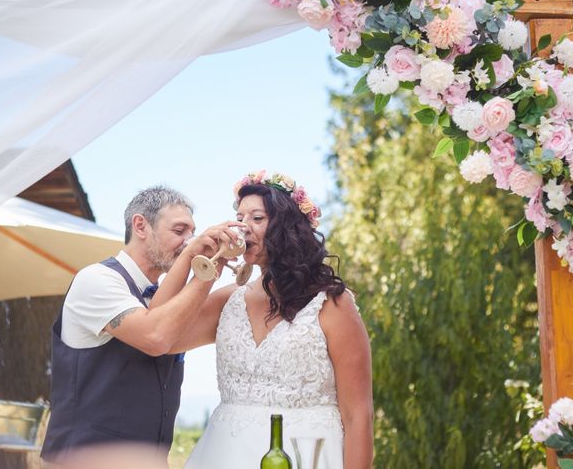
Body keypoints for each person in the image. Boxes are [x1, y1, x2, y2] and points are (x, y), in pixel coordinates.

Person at [174, 172, 374, 469]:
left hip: (309, 456)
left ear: (287, 227)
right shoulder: (228, 300)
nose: (243, 227)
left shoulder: (333, 304)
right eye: (239, 217)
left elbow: (359, 414)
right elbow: (164, 337)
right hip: (224, 456)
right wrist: (202, 263)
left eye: (257, 218)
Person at [41, 186, 242, 464]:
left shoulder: (167, 301)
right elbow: (155, 337)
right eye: (179, 230)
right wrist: (205, 272)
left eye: (192, 233)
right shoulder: (96, 279)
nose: (189, 242)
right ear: (140, 226)